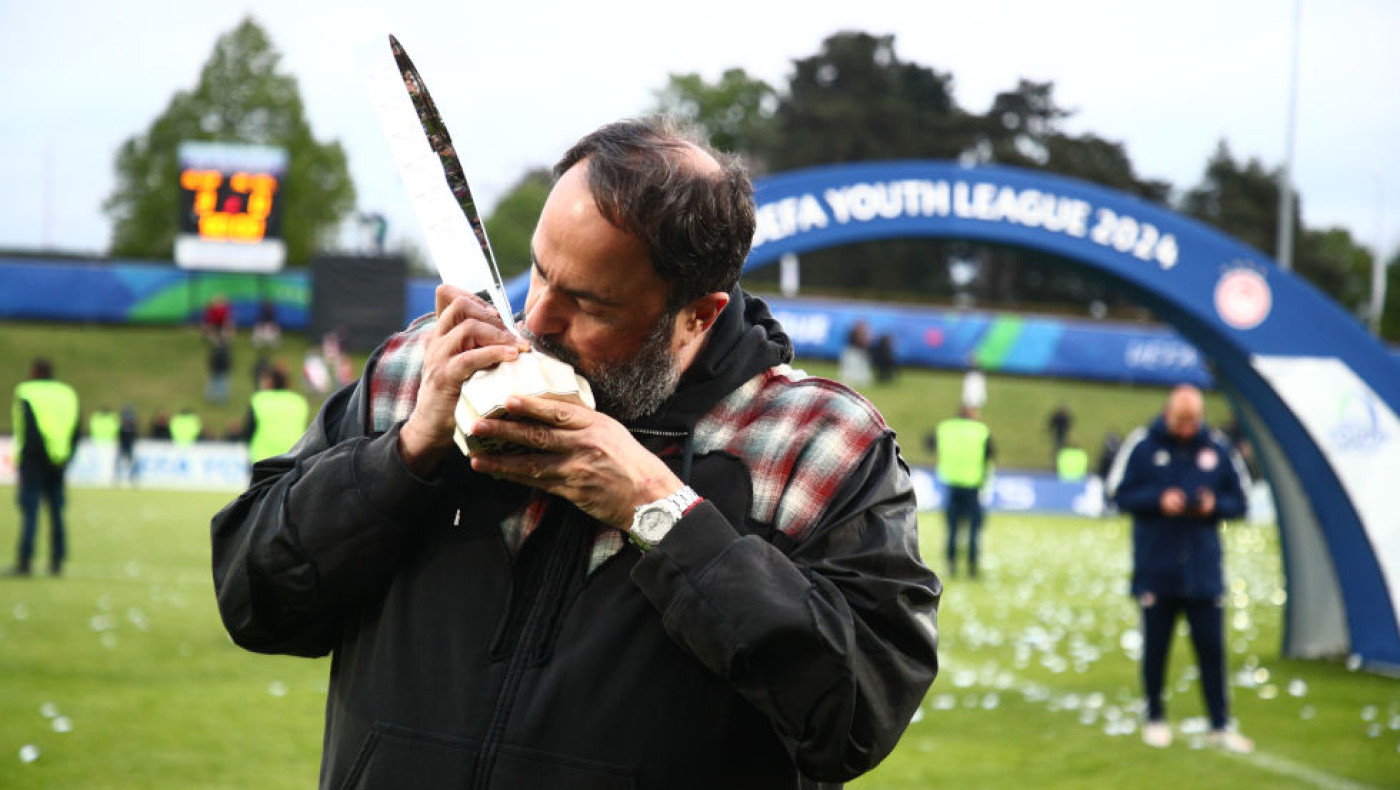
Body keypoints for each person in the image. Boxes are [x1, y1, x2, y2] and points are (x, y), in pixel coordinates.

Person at [212, 117, 940, 789]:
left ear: (698, 314)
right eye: (538, 271)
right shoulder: (419, 368)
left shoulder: (819, 442)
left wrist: (661, 514)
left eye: (590, 303)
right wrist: (403, 455)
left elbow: (853, 718)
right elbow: (255, 600)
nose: (536, 318)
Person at [1107, 385, 1253, 753]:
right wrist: (1158, 500)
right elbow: (1117, 495)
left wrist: (1212, 504)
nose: (1187, 429)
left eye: (1193, 421)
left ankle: (1219, 724)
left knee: (1212, 652)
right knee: (1156, 650)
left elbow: (1241, 501)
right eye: (1180, 421)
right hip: (1156, 568)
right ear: (1168, 413)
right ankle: (1155, 716)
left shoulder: (1217, 447)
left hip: (1203, 572)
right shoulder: (1143, 445)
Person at [10, 358, 79, 577]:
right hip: (59, 460)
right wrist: (66, 458)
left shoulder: (27, 392)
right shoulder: (67, 393)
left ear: (36, 372)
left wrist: (24, 462)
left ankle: (25, 561)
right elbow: (76, 428)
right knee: (57, 512)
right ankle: (57, 560)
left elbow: (29, 430)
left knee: (30, 512)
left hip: (34, 461)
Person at [928, 406, 995, 579]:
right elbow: (990, 455)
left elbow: (929, 443)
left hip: (951, 484)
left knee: (952, 529)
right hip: (972, 486)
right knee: (973, 529)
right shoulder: (980, 431)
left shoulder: (945, 428)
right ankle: (972, 567)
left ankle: (951, 565)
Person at [242, 366, 310, 464]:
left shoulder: (259, 400)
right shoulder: (298, 401)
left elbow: (248, 430)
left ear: (270, 382)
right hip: (293, 456)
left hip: (262, 457)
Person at [117, 405, 139, 485]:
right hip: (123, 445)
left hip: (128, 446)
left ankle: (132, 477)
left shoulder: (130, 426)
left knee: (131, 462)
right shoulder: (125, 426)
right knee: (119, 462)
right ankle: (118, 477)